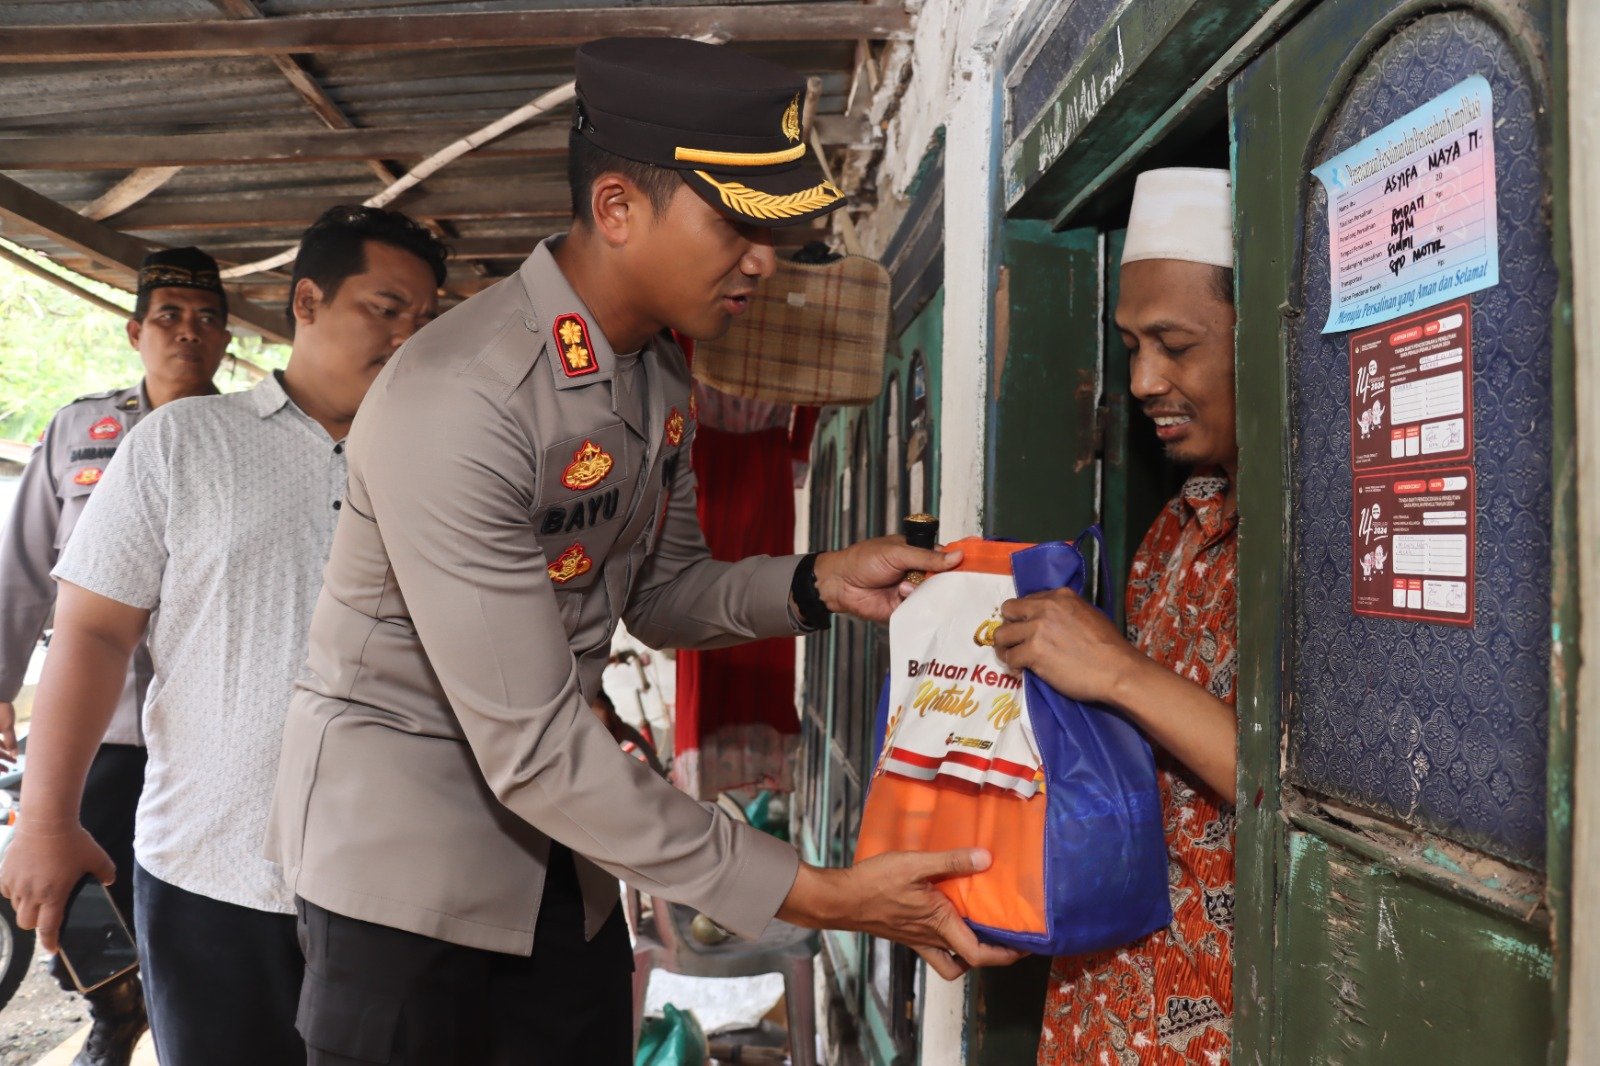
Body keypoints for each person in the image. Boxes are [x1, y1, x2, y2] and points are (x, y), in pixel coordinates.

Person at [267, 37, 1018, 1066]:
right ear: (617, 208)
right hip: (405, 880)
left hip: (560, 849)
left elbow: (662, 592)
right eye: (736, 225)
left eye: (770, 231)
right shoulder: (462, 397)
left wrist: (818, 582)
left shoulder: (654, 370)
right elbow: (534, 744)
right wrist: (820, 894)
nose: (763, 258)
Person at [0, 206, 448, 1066]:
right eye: (386, 309)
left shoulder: (445, 457)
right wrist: (47, 819)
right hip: (209, 867)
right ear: (307, 302)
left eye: (423, 319)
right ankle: (112, 1016)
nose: (407, 335)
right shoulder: (184, 442)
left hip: (397, 876)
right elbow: (92, 632)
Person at [993, 168, 1241, 1064]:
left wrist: (1117, 672)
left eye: (1175, 345)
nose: (1143, 379)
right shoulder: (1173, 533)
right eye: (1132, 345)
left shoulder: (1322, 545)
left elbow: (1297, 792)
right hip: (1103, 1006)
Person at [0, 247, 231, 1066]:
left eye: (207, 318)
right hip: (96, 723)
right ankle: (113, 1010)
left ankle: (185, 1022)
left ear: (226, 339)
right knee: (71, 882)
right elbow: (25, 562)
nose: (187, 332)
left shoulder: (247, 437)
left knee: (189, 892)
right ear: (136, 331)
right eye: (169, 316)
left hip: (203, 722)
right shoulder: (79, 429)